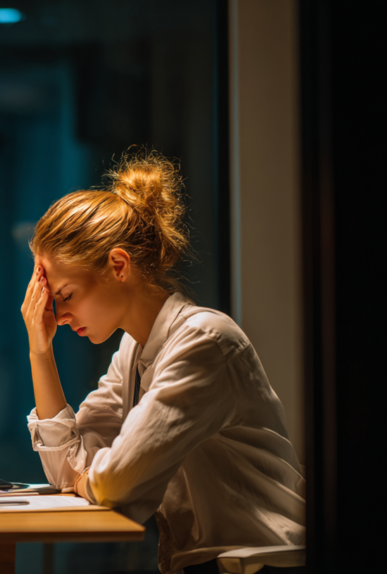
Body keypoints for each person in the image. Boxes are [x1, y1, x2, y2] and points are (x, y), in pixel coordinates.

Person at [21, 150, 304, 574]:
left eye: (64, 296)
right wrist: (39, 352)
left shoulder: (203, 342)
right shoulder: (134, 350)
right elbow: (69, 471)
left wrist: (94, 477)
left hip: (261, 565)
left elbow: (114, 485)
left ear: (119, 265)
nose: (57, 317)